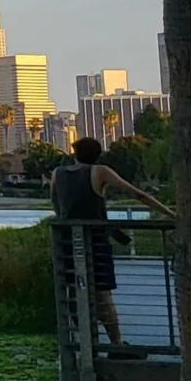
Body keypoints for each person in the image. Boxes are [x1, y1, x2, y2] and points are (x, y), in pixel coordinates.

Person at [51, 136, 168, 346]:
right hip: (96, 242)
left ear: (75, 153)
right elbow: (137, 194)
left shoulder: (57, 174)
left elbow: (56, 205)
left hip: (67, 243)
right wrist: (170, 214)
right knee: (102, 294)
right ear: (97, 154)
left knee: (73, 292)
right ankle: (116, 342)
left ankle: (86, 339)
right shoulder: (99, 172)